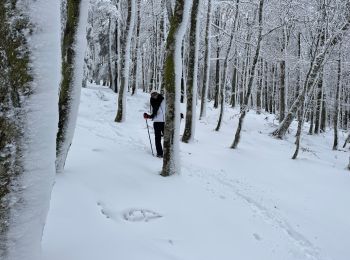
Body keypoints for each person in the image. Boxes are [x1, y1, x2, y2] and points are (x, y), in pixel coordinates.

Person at [144, 90, 165, 158]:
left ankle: (168, 152)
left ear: (158, 94)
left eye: (155, 94)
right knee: (157, 138)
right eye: (152, 95)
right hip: (156, 122)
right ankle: (160, 153)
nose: (154, 96)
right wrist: (148, 116)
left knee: (167, 138)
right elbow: (153, 113)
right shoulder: (152, 101)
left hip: (165, 122)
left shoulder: (163, 100)